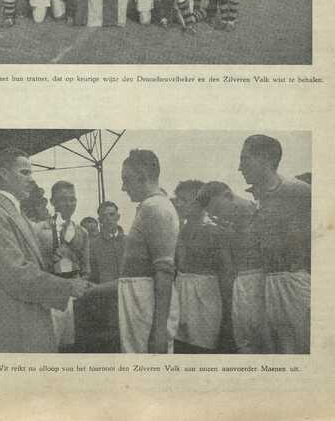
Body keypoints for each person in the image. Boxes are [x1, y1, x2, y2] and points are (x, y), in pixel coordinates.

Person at [0, 149, 90, 352]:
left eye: (31, 173)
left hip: (23, 323)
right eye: (24, 173)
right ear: (3, 174)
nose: (31, 180)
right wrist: (67, 287)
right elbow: (17, 274)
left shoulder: (12, 213)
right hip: (12, 328)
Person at [239, 135, 311, 354]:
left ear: (266, 159)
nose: (239, 167)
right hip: (267, 287)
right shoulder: (259, 200)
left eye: (245, 159)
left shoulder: (299, 192)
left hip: (295, 286)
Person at [198, 181, 270, 354]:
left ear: (228, 196)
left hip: (266, 287)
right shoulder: (227, 229)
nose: (218, 216)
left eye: (218, 210)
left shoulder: (263, 214)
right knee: (245, 345)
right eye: (212, 213)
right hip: (241, 290)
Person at [118, 150, 179, 353]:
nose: (123, 187)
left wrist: (159, 331)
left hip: (146, 305)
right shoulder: (148, 207)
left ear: (142, 177)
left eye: (126, 180)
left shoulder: (156, 208)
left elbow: (164, 271)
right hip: (138, 302)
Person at [172, 180, 232, 353]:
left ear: (200, 202)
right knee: (180, 347)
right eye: (178, 199)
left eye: (184, 199)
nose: (178, 203)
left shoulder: (215, 232)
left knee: (202, 348)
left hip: (206, 297)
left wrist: (228, 314)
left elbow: (226, 273)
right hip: (181, 294)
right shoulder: (179, 231)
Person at [35, 180, 90, 351]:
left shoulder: (82, 232)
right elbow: (32, 266)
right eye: (63, 199)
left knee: (70, 347)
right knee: (48, 347)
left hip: (73, 298)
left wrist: (79, 285)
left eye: (72, 199)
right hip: (48, 296)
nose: (69, 204)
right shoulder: (38, 230)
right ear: (53, 202)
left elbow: (86, 269)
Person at [76, 201, 126, 353]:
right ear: (100, 220)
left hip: (127, 299)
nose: (108, 219)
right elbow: (87, 273)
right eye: (104, 216)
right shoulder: (91, 245)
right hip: (103, 303)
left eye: (112, 215)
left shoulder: (130, 242)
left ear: (118, 216)